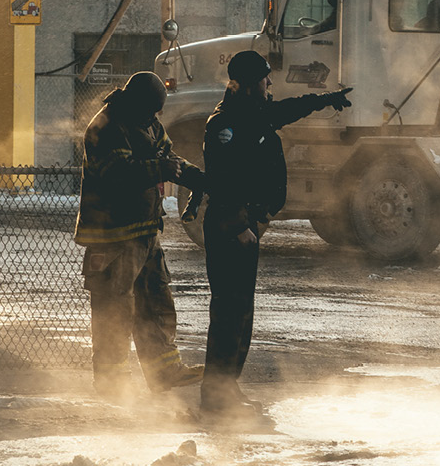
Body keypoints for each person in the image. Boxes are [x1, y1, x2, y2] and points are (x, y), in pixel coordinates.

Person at [199, 50, 353, 427]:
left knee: (242, 314)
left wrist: (324, 101)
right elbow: (222, 182)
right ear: (251, 84)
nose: (270, 85)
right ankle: (216, 399)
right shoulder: (225, 124)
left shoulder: (253, 114)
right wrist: (240, 226)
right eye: (265, 79)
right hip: (230, 228)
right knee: (228, 315)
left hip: (247, 225)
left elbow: (288, 110)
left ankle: (228, 388)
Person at [74, 71, 206, 399]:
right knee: (114, 313)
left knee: (156, 302)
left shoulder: (147, 123)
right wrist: (160, 169)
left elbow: (168, 159)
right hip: (113, 238)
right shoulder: (106, 127)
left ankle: (164, 372)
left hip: (145, 233)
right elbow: (118, 174)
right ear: (136, 102)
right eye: (152, 110)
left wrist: (198, 178)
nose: (156, 117)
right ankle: (111, 387)